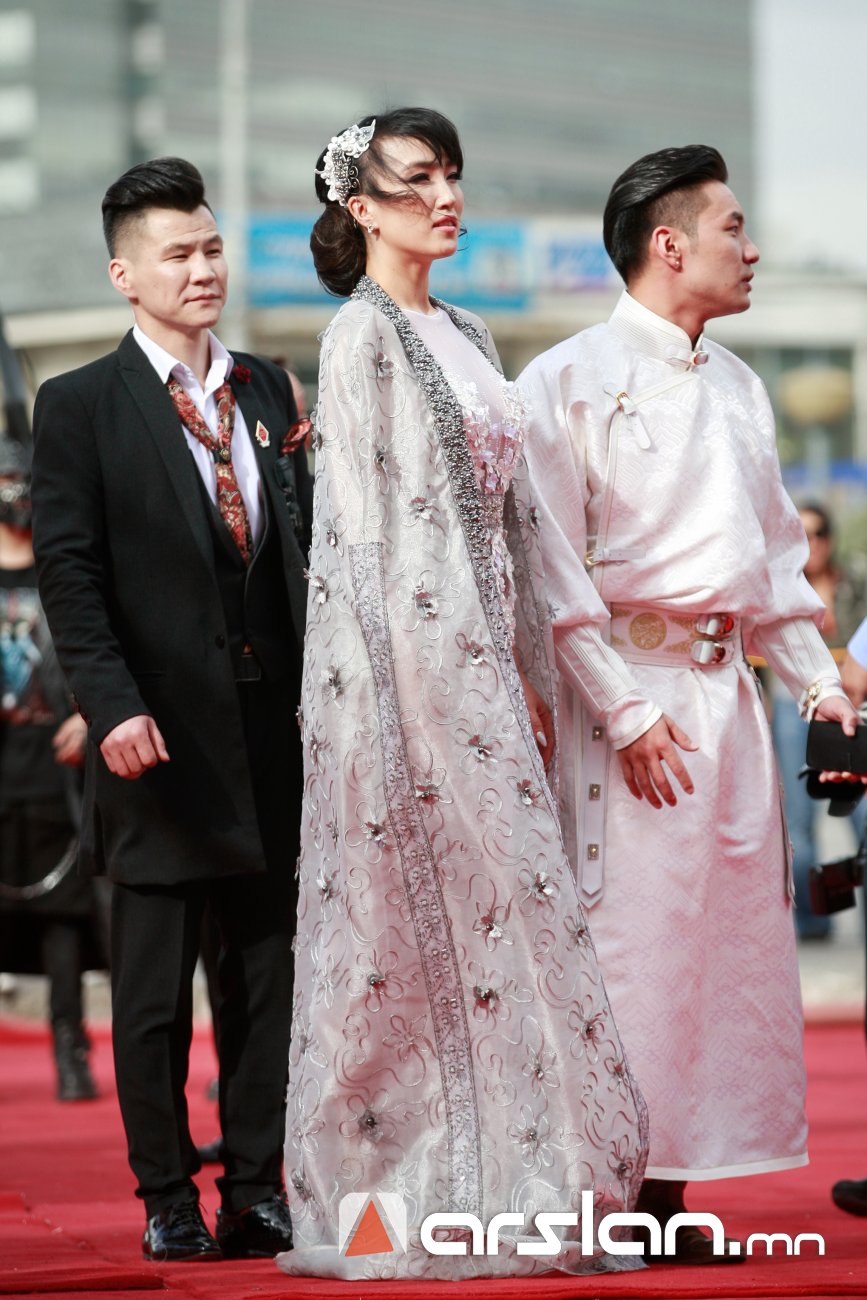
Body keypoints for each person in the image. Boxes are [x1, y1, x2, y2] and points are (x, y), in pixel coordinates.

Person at [278, 108, 648, 1282]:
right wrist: (407, 705)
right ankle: (393, 1194)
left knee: (513, 932)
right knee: (403, 943)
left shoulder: (471, 332)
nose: (445, 196)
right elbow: (360, 544)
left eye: (451, 175)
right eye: (416, 180)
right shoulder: (359, 338)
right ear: (361, 209)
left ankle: (522, 1180)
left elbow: (521, 525)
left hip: (494, 688)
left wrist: (535, 672)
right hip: (408, 692)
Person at [517, 145, 859, 1263]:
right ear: (669, 245)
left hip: (726, 701)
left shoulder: (743, 386)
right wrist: (620, 713)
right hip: (627, 700)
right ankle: (598, 1196)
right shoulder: (565, 378)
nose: (750, 250)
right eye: (732, 228)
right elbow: (547, 569)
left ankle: (664, 1197)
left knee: (715, 955)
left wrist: (819, 685)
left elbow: (774, 566)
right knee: (627, 945)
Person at [30, 158, 312, 1262]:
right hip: (153, 737)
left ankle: (256, 1187)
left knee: (266, 980)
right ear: (124, 274)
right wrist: (109, 706)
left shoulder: (270, 390)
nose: (203, 269)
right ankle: (166, 1196)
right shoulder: (80, 404)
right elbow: (70, 573)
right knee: (153, 995)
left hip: (272, 734)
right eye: (178, 254)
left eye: (212, 248)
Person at [0, 432, 101, 1101]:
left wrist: (90, 716)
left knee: (63, 914)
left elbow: (99, 648)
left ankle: (71, 1045)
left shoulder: (62, 570)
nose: (17, 494)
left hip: (56, 768)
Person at [771, 502, 865, 939]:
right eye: (802, 533)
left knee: (860, 817)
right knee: (800, 821)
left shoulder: (855, 582)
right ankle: (813, 922)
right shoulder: (780, 587)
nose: (812, 543)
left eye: (819, 532)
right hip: (793, 709)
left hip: (854, 709)